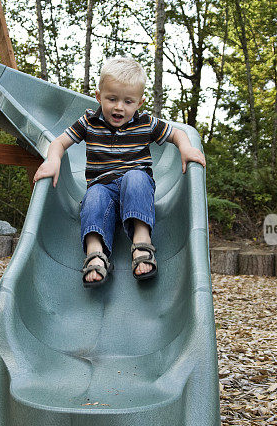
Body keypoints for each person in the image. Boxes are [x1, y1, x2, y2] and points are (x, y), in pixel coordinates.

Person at [33, 56, 206, 287]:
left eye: (128, 101)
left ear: (139, 103)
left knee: (136, 178)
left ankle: (142, 242)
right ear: (98, 96)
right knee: (92, 198)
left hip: (135, 185)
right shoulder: (89, 121)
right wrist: (53, 160)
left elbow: (177, 134)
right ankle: (95, 254)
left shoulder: (145, 122)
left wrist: (185, 148)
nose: (119, 107)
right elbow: (59, 143)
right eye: (112, 99)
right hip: (102, 186)